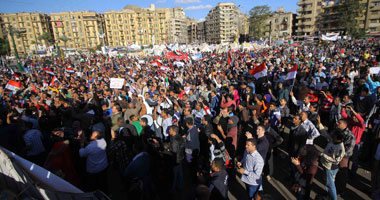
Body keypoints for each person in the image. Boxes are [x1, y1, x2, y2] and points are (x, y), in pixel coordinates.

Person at [320, 130, 345, 200]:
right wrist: (319, 124)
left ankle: (333, 198)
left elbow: (336, 160)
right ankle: (329, 195)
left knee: (330, 185)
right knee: (326, 182)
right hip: (325, 164)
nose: (331, 134)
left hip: (330, 168)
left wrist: (322, 155)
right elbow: (325, 134)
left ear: (336, 137)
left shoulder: (340, 148)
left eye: (333, 133)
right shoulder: (332, 140)